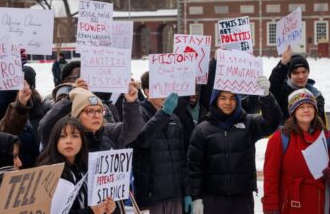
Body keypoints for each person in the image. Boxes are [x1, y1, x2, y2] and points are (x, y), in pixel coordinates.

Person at [188, 76, 282, 214]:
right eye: (223, 98)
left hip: (242, 199)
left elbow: (272, 123)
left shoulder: (249, 123)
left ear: (238, 100)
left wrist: (266, 97)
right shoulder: (202, 129)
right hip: (213, 198)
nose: (228, 102)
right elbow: (194, 167)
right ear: (215, 100)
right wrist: (195, 197)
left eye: (232, 98)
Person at [130, 71, 191, 214]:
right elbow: (142, 141)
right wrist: (164, 113)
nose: (165, 94)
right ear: (147, 91)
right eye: (160, 88)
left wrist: (186, 192)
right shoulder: (138, 114)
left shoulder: (174, 118)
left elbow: (182, 159)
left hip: (175, 196)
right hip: (151, 198)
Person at [262, 88, 328, 214]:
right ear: (293, 111)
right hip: (290, 204)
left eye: (310, 106)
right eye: (301, 107)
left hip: (320, 203)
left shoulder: (326, 137)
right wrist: (270, 206)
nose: (307, 110)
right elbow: (271, 176)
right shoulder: (279, 139)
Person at [37, 116, 116, 214]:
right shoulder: (47, 170)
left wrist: (106, 207)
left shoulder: (87, 166)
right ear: (55, 140)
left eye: (75, 136)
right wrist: (91, 212)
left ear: (82, 141)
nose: (69, 141)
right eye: (62, 136)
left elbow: (94, 205)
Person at [269, 46, 326, 124]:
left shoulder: (316, 96)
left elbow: (321, 125)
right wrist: (283, 64)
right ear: (289, 75)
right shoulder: (281, 92)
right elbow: (273, 88)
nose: (301, 76)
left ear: (308, 72)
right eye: (296, 73)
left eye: (304, 72)